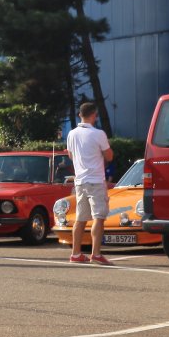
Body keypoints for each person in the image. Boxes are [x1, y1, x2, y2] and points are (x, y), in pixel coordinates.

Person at [65, 102, 115, 265]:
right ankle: (96, 254)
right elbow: (109, 156)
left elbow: (71, 155)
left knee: (80, 219)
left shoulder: (71, 134)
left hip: (80, 181)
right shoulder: (98, 134)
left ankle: (75, 253)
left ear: (80, 114)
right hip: (95, 180)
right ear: (94, 115)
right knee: (98, 218)